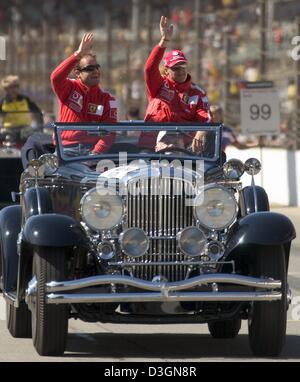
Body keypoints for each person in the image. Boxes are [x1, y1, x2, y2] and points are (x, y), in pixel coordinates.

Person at [139, 16, 212, 150]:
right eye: (175, 68)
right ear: (166, 71)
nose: (181, 71)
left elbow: (206, 118)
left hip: (182, 151)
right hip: (148, 151)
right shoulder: (158, 86)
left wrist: (200, 133)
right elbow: (149, 68)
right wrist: (164, 41)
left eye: (183, 67)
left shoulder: (197, 93)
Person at [50, 32, 118, 153]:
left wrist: (94, 154)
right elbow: (55, 77)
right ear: (78, 74)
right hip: (65, 150)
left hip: (91, 151)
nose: (95, 71)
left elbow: (110, 132)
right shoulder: (69, 87)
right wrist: (78, 54)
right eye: (89, 69)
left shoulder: (108, 100)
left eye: (97, 67)